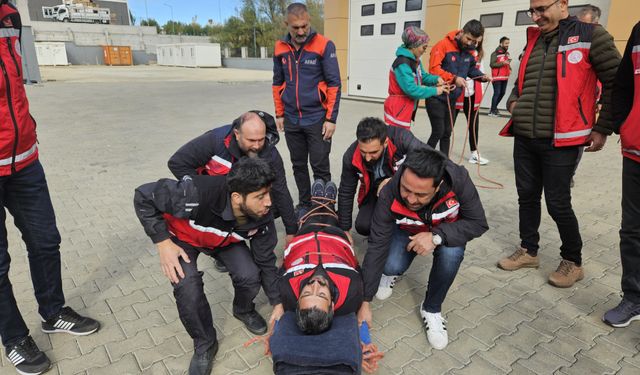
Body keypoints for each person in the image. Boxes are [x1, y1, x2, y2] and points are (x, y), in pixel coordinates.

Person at [1, 3, 100, 374]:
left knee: (45, 241)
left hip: (24, 159)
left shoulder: (10, 14)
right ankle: (13, 339)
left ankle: (53, 312)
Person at [497, 0, 621, 288]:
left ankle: (572, 261)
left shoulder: (591, 35)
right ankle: (529, 250)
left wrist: (602, 128)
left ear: (563, 4)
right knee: (526, 197)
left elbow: (616, 81)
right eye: (533, 11)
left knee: (558, 203)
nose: (536, 16)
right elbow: (523, 79)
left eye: (542, 9)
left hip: (563, 138)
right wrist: (514, 100)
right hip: (526, 134)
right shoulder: (533, 40)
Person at [134, 158, 283, 375]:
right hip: (183, 240)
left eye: (268, 193)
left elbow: (266, 261)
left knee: (250, 275)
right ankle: (205, 344)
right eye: (260, 197)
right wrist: (163, 243)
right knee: (187, 286)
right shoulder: (195, 193)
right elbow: (144, 196)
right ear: (236, 197)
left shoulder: (263, 214)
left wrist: (278, 302)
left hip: (222, 242)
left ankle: (243, 310)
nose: (268, 202)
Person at [357, 147, 488, 350]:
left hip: (446, 232)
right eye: (406, 189)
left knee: (452, 253)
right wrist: (365, 301)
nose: (410, 199)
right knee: (390, 265)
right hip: (408, 229)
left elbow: (478, 223)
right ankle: (390, 275)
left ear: (437, 187)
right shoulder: (390, 190)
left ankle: (432, 309)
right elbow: (377, 245)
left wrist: (437, 237)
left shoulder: (459, 181)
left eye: (420, 194)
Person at [168, 111, 298, 271]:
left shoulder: (270, 153)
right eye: (251, 140)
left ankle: (260, 259)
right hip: (219, 204)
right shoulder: (214, 141)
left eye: (261, 140)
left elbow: (281, 190)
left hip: (248, 202)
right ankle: (223, 252)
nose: (257, 146)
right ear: (237, 134)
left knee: (270, 209)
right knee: (221, 227)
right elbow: (177, 163)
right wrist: (205, 189)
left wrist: (291, 231)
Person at [272, 2, 341, 216]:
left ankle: (324, 205)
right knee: (298, 165)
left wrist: (331, 118)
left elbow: (334, 84)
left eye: (304, 26)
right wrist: (280, 113)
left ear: (309, 21)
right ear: (287, 24)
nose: (301, 31)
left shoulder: (324, 45)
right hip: (292, 119)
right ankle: (304, 204)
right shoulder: (280, 48)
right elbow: (277, 82)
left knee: (320, 165)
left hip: (317, 118)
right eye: (295, 27)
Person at [602, 21, 640, 328]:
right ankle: (634, 298)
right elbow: (623, 82)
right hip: (636, 152)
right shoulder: (639, 30)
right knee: (632, 232)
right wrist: (624, 125)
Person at [338, 117, 424, 236]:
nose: (367, 158)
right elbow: (346, 191)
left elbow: (431, 159)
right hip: (375, 192)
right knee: (363, 226)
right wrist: (344, 229)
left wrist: (395, 180)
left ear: (385, 142)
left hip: (405, 189)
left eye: (373, 152)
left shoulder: (402, 138)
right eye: (363, 152)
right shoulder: (350, 155)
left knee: (408, 224)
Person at [426, 19, 491, 157]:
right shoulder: (442, 45)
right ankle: (421, 158)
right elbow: (433, 69)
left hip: (452, 99)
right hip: (436, 97)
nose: (470, 43)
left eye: (474, 41)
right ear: (462, 32)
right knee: (438, 131)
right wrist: (454, 78)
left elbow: (471, 69)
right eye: (468, 38)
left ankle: (444, 162)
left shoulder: (470, 51)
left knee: (447, 132)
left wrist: (482, 77)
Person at [383, 26, 448, 129]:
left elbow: (423, 76)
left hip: (406, 108)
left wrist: (436, 79)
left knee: (402, 140)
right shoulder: (402, 64)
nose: (424, 51)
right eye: (424, 47)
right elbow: (411, 90)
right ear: (414, 46)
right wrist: (435, 91)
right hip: (398, 109)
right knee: (397, 140)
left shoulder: (416, 61)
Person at [454, 37, 489, 165]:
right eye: (473, 39)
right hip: (458, 93)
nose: (475, 43)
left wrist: (484, 82)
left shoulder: (479, 55)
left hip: (472, 94)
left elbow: (481, 73)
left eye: (478, 41)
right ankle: (441, 153)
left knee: (474, 125)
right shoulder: (459, 53)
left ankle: (474, 153)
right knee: (448, 125)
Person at [488, 36, 512, 117]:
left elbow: (507, 63)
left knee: (502, 93)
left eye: (508, 43)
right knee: (497, 93)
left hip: (505, 76)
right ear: (501, 43)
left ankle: (493, 108)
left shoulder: (507, 53)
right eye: (506, 43)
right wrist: (503, 63)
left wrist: (510, 68)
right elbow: (492, 64)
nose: (507, 45)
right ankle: (492, 111)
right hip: (497, 77)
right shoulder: (495, 53)